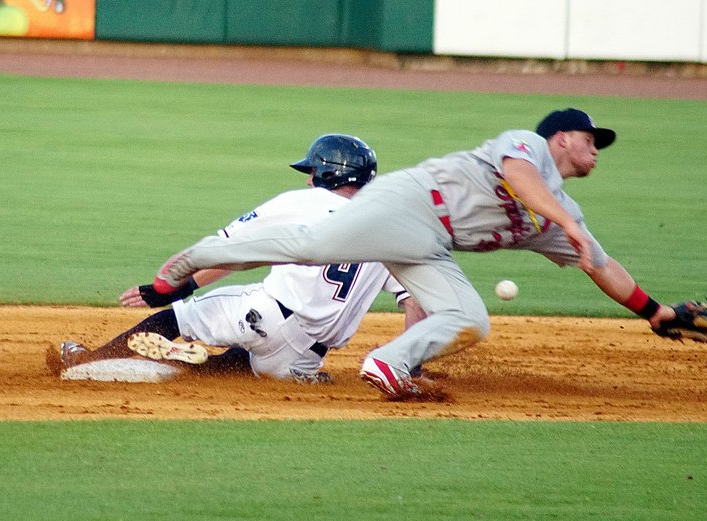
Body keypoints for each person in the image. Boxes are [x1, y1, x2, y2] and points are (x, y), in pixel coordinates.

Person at [150, 108, 681, 399]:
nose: (596, 150)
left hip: (431, 246)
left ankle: (391, 361)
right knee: (311, 246)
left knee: (471, 319)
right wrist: (565, 219)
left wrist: (655, 312)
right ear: (561, 139)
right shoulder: (526, 145)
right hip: (405, 204)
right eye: (592, 139)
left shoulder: (559, 214)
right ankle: (199, 256)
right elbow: (519, 178)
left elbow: (602, 265)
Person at [47, 134, 426, 383]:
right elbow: (417, 304)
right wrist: (408, 360)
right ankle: (185, 365)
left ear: (329, 173)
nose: (308, 180)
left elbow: (229, 250)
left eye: (312, 172)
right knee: (234, 368)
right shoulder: (391, 229)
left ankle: (86, 361)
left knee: (178, 316)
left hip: (265, 315)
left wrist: (172, 289)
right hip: (302, 360)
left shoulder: (301, 201)